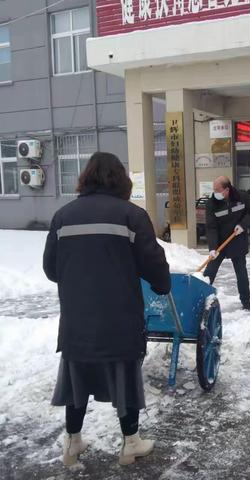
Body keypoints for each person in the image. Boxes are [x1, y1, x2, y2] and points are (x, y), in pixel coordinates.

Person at [43, 152, 171, 466]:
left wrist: (78, 280)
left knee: (77, 380)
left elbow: (50, 268)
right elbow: (153, 264)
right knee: (124, 376)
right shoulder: (131, 215)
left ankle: (72, 442)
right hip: (119, 318)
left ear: (86, 177)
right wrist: (162, 285)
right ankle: (130, 444)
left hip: (77, 321)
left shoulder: (63, 216)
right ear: (121, 179)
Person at [204, 176, 250, 310]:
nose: (215, 193)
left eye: (217, 190)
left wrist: (243, 225)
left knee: (241, 273)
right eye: (214, 190)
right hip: (219, 243)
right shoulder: (212, 203)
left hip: (236, 240)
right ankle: (200, 300)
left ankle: (246, 304)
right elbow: (211, 227)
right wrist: (212, 247)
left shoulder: (242, 197)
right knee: (209, 272)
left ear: (226, 190)